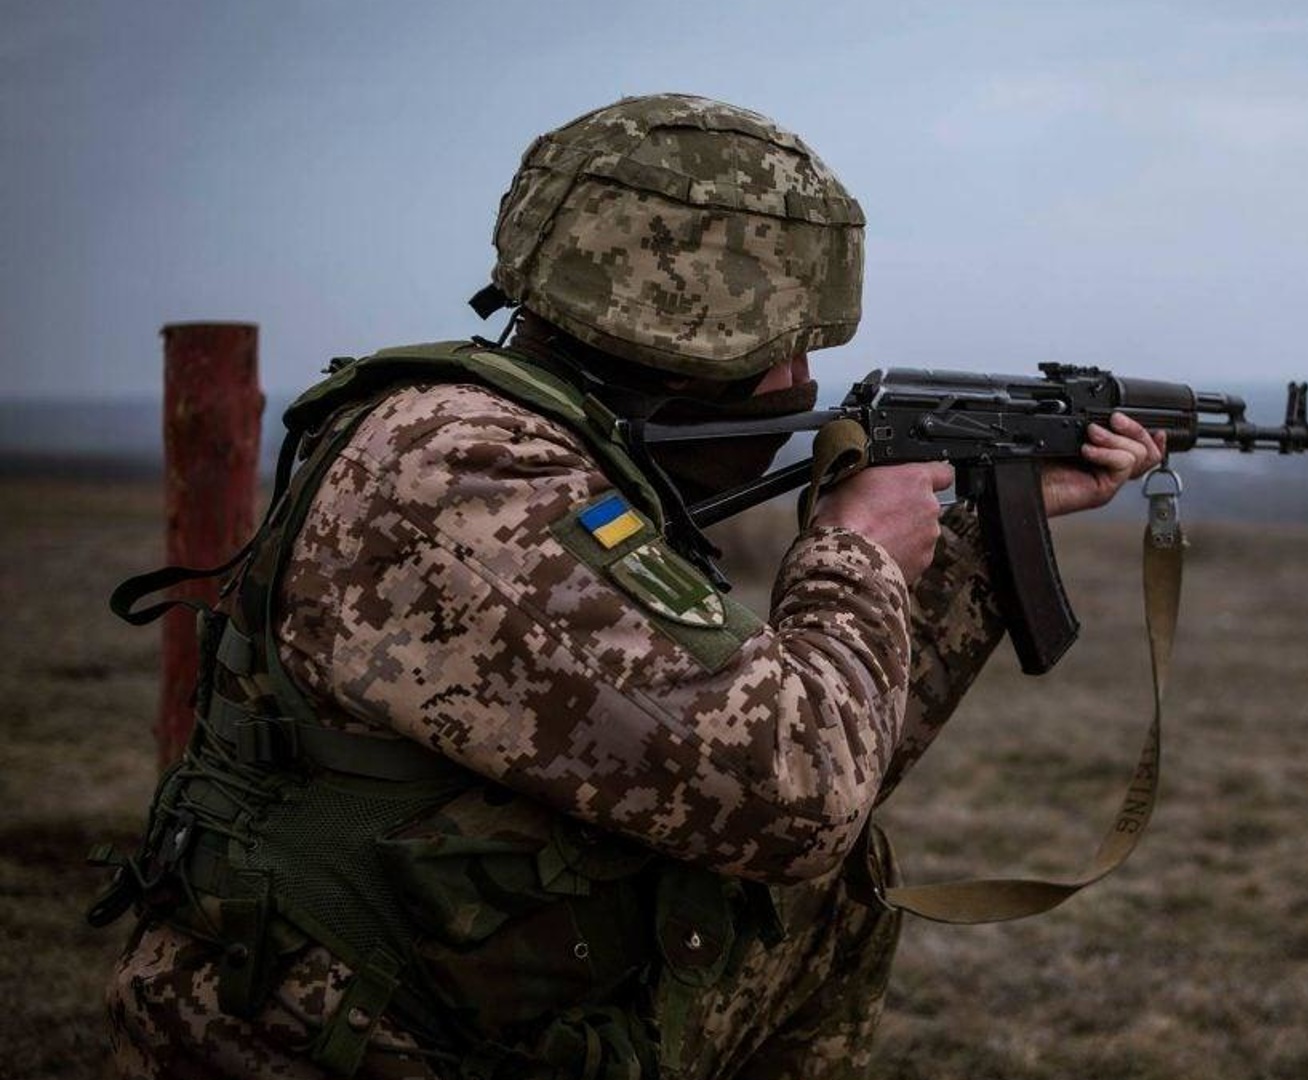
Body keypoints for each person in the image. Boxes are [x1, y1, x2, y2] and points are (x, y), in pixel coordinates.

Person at [99, 93, 1164, 1079]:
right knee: (799, 884)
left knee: (809, 889)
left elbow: (815, 748)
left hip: (413, 975)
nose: (803, 383)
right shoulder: (469, 475)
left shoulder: (523, 444)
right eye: (788, 345)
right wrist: (857, 554)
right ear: (697, 335)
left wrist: (979, 541)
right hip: (313, 1027)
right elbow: (792, 799)